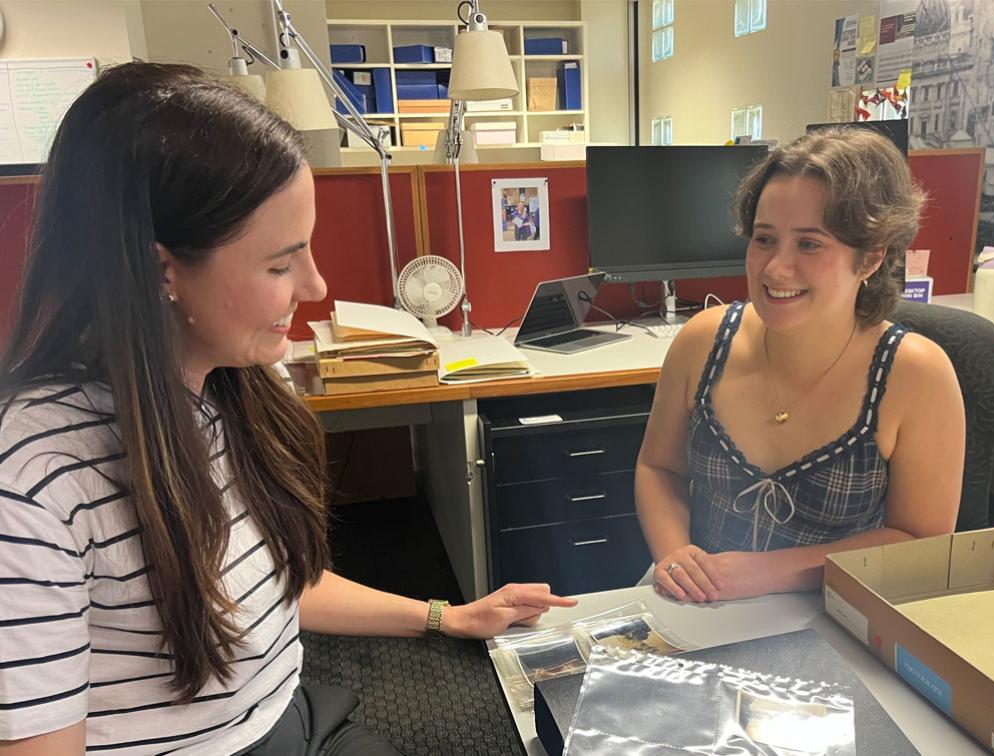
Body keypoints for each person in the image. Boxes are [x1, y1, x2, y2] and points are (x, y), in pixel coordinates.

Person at [0, 62, 574, 755]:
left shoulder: (231, 386)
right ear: (160, 271)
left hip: (292, 717)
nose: (316, 283)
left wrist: (448, 617)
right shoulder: (35, 481)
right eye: (280, 264)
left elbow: (274, 584)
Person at [635, 127, 965, 604]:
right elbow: (658, 467)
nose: (774, 269)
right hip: (697, 603)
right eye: (764, 239)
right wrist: (677, 559)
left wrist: (769, 572)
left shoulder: (914, 375)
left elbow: (921, 541)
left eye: (809, 244)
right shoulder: (702, 341)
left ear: (871, 256)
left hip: (837, 611)